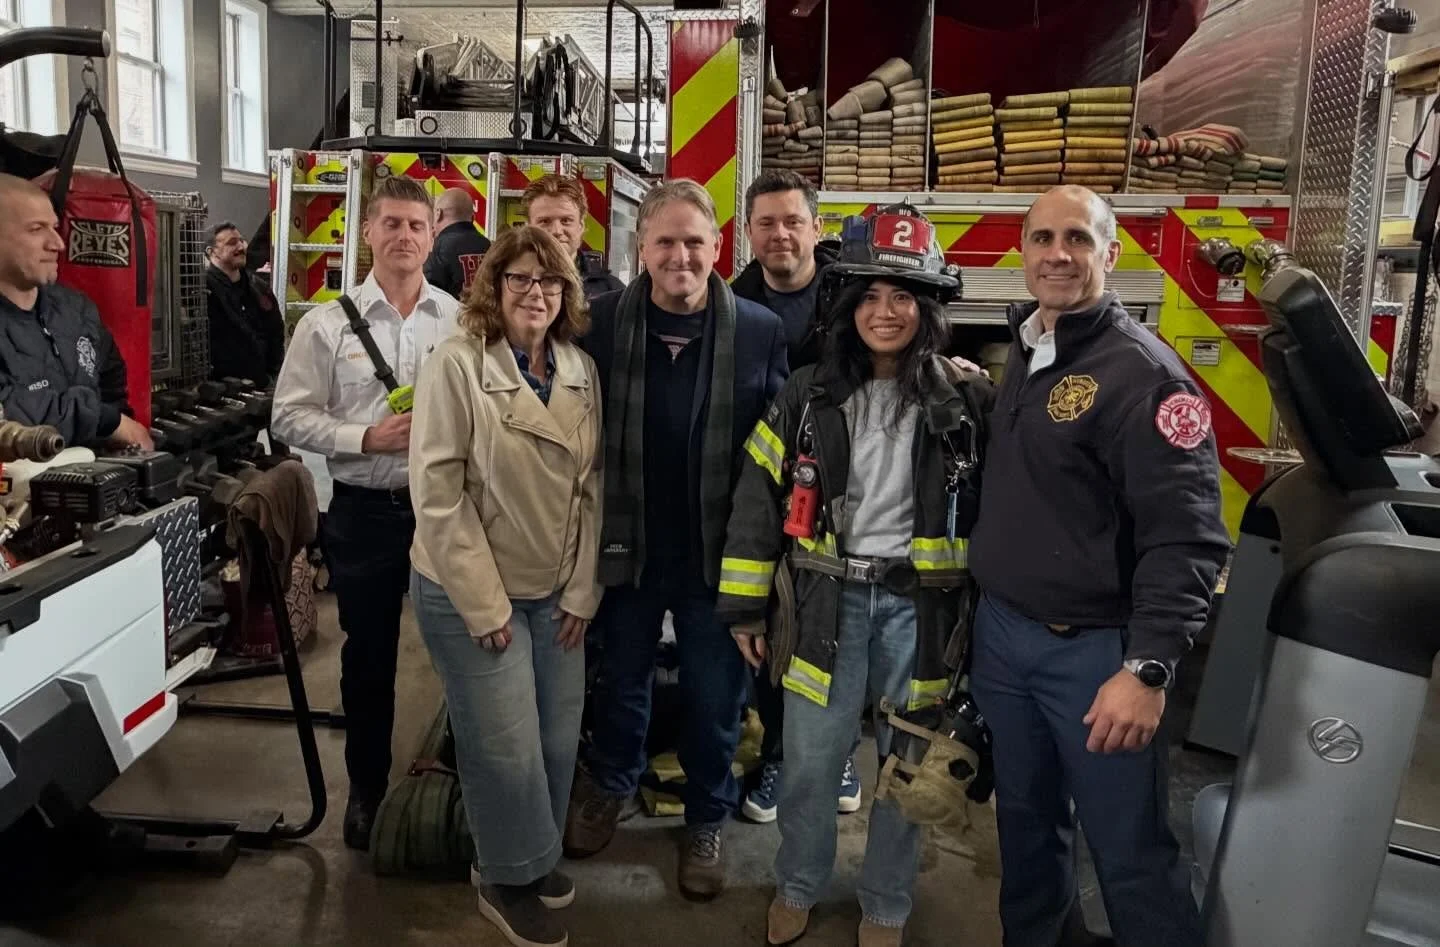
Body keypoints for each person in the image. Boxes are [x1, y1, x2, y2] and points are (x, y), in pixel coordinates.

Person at [717, 204, 989, 947]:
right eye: (868, 294)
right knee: (808, 765)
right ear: (846, 306)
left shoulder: (965, 401)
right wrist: (745, 608)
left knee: (908, 771)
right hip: (823, 608)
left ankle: (886, 903)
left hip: (921, 619)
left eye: (903, 296)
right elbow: (756, 497)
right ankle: (798, 884)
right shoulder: (806, 394)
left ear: (928, 308)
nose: (885, 311)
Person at [966, 185, 1229, 947]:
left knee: (1131, 852)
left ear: (1111, 254)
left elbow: (1187, 539)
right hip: (1006, 641)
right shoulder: (1028, 346)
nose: (1058, 255)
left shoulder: (1147, 377)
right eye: (1042, 238)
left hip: (1095, 657)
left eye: (1078, 239)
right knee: (1025, 827)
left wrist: (1147, 667)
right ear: (1021, 254)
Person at [562, 179, 788, 900]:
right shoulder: (596, 325)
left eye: (695, 240)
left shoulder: (758, 330)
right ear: (640, 247)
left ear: (718, 246)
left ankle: (705, 815)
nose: (681, 255)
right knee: (621, 679)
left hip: (716, 552)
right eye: (665, 241)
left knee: (715, 694)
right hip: (626, 542)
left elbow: (777, 450)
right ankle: (612, 782)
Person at [409, 225, 601, 947]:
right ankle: (503, 874)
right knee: (504, 744)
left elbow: (591, 489)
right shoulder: (455, 365)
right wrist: (483, 603)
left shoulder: (579, 369)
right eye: (520, 279)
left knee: (553, 739)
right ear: (493, 286)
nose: (535, 293)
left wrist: (583, 590)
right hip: (472, 589)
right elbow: (438, 493)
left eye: (549, 282)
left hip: (556, 590)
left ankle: (534, 855)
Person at [270, 175, 460, 851]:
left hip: (444, 513)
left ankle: (460, 780)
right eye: (392, 224)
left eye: (417, 224)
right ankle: (367, 790)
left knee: (461, 651)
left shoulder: (458, 319)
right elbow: (287, 413)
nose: (405, 236)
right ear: (368, 233)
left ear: (433, 235)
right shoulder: (325, 325)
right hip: (365, 513)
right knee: (369, 657)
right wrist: (364, 438)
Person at [728, 168, 855, 825]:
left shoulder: (854, 296)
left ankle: (840, 754)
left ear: (816, 227)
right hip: (766, 494)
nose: (780, 234)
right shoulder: (730, 306)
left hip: (848, 494)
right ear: (748, 232)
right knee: (771, 631)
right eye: (766, 223)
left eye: (792, 221)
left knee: (842, 627)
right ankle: (777, 752)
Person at [0, 173, 151, 451]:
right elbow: (8, 411)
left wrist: (120, 436)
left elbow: (110, 374)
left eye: (55, 227)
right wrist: (107, 420)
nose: (58, 243)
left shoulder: (75, 308)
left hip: (93, 475)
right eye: (36, 229)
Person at [204, 221, 286, 387]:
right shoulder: (203, 291)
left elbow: (276, 332)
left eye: (241, 241)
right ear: (212, 252)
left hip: (261, 386)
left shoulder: (258, 288)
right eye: (231, 243)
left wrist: (272, 375)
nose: (241, 247)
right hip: (221, 391)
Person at [522, 174, 625, 298]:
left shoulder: (612, 292)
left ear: (581, 226)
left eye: (566, 220)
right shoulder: (505, 287)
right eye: (544, 221)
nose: (557, 231)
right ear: (527, 228)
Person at [424, 187, 492, 300]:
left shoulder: (435, 248)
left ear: (438, 214)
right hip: (483, 315)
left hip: (450, 316)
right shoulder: (489, 246)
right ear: (473, 218)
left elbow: (427, 295)